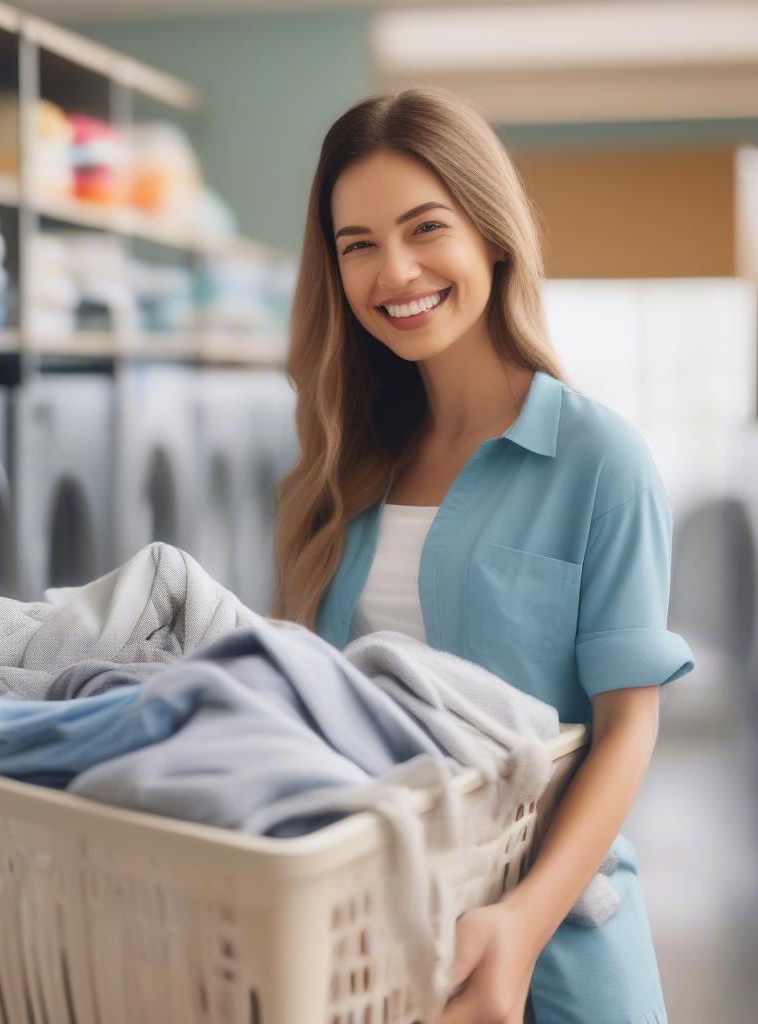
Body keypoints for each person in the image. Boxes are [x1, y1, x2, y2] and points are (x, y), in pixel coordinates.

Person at [270, 86, 695, 1024]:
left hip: (558, 955)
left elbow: (628, 730)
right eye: (359, 246)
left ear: (492, 234)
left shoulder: (599, 460)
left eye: (427, 228)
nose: (396, 271)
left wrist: (517, 928)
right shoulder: (338, 471)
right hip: (368, 958)